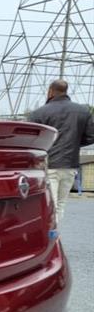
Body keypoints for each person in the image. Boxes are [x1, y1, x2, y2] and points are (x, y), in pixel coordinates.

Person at [28, 80, 94, 223]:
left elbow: (31, 139)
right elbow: (91, 136)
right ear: (66, 91)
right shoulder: (83, 111)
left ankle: (51, 238)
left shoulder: (39, 113)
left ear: (50, 91)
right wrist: (74, 143)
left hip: (48, 165)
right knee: (60, 205)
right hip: (70, 165)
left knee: (49, 204)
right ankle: (54, 234)